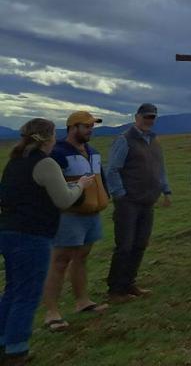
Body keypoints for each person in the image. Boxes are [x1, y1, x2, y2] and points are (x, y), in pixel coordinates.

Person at [0, 119, 91, 365]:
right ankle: (16, 350)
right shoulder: (46, 163)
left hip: (8, 232)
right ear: (48, 138)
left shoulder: (15, 161)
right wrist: (80, 186)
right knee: (27, 294)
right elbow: (64, 200)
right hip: (33, 236)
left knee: (13, 289)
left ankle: (3, 341)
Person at [42, 111, 109, 331]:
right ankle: (51, 312)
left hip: (92, 214)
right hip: (68, 215)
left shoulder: (93, 152)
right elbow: (50, 186)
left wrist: (105, 197)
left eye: (92, 126)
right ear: (72, 128)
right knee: (60, 261)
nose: (90, 130)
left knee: (82, 257)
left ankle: (82, 301)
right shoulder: (57, 153)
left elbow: (102, 178)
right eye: (86, 126)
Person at [105, 103, 171, 301]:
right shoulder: (124, 140)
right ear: (136, 117)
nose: (149, 121)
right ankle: (115, 289)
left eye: (152, 117)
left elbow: (160, 169)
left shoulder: (154, 141)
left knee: (140, 243)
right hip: (128, 202)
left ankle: (129, 283)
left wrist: (165, 190)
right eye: (146, 117)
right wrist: (121, 194)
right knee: (124, 245)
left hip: (147, 200)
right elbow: (112, 169)